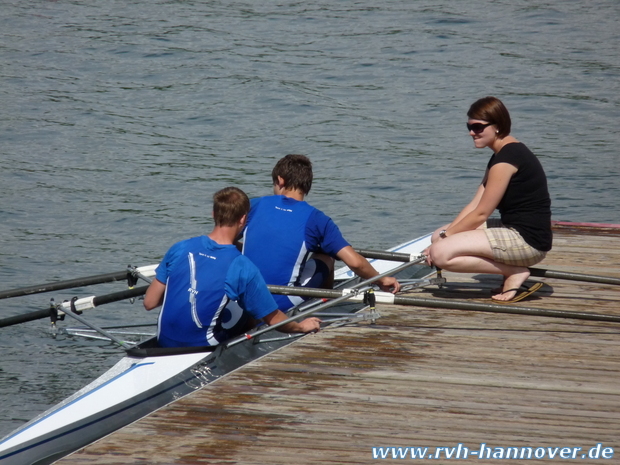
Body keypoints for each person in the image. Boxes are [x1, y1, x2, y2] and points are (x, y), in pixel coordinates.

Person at [143, 186, 321, 348]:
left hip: (163, 340)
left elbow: (149, 302)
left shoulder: (179, 247)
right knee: (250, 308)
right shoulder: (242, 266)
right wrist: (300, 326)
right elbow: (274, 319)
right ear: (243, 219)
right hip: (202, 346)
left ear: (213, 214)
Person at [425, 96, 552, 303]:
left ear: (498, 126)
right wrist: (443, 235)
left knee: (440, 254)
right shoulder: (501, 155)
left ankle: (514, 271)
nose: (471, 132)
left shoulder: (506, 160)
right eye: (469, 126)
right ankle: (510, 270)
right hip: (515, 229)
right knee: (435, 237)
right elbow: (474, 205)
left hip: (529, 241)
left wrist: (446, 240)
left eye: (478, 127)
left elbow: (482, 213)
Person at [241, 154, 400, 312]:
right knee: (327, 256)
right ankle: (324, 308)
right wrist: (381, 279)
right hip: (281, 302)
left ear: (280, 180)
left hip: (243, 297)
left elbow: (223, 243)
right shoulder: (316, 219)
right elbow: (355, 263)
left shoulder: (254, 205)